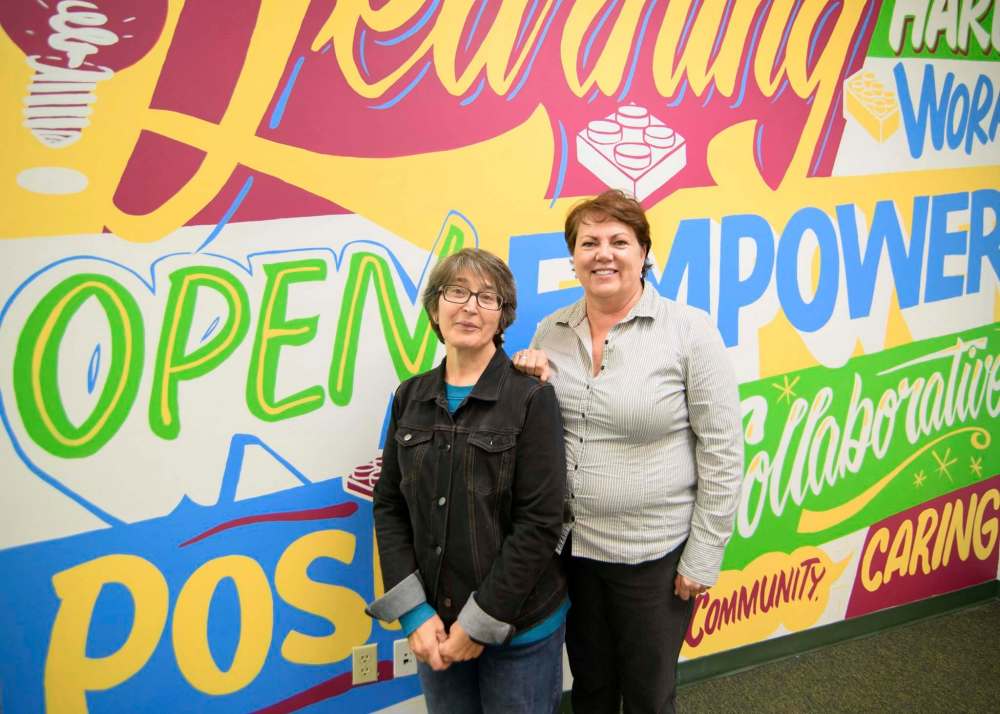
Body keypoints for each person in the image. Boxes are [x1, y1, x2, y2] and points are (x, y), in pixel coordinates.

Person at [513, 190, 743, 714]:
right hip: (573, 552)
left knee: (646, 695)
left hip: (654, 557)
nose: (603, 253)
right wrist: (530, 387)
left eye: (619, 241)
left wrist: (703, 553)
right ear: (573, 259)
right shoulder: (551, 331)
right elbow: (544, 432)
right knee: (590, 687)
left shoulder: (689, 332)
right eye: (589, 242)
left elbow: (723, 452)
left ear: (644, 253)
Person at [368, 248, 569, 713]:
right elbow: (389, 507)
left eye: (487, 297)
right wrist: (414, 612)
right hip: (435, 624)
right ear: (435, 308)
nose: (470, 306)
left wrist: (480, 622)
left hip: (519, 626)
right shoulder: (409, 397)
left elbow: (540, 523)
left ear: (503, 317)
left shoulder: (531, 398)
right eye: (456, 292)